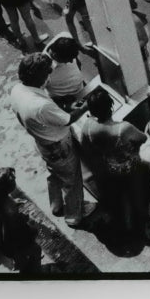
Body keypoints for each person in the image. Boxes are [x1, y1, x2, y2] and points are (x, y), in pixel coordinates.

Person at [9, 54, 94, 228]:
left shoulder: (17, 89)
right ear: (42, 77)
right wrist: (86, 105)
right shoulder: (40, 105)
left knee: (54, 174)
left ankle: (56, 205)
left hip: (43, 144)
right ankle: (74, 215)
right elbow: (67, 120)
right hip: (59, 146)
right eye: (48, 73)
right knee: (72, 181)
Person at [78, 90, 150, 234]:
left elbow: (85, 146)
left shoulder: (87, 125)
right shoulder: (123, 128)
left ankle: (127, 221)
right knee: (137, 191)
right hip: (128, 169)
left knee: (123, 195)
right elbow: (143, 139)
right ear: (110, 107)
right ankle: (142, 219)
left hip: (107, 168)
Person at [0, 167, 42, 274]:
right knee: (35, 250)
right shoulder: (9, 213)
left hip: (4, 243)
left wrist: (12, 202)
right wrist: (30, 227)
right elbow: (13, 233)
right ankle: (32, 271)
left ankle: (19, 262)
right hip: (17, 244)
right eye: (12, 179)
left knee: (19, 256)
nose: (14, 178)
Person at [44, 34, 87, 111]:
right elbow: (41, 97)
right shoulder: (43, 69)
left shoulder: (65, 36)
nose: (71, 61)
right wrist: (66, 106)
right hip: (65, 101)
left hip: (82, 89)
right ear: (55, 55)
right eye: (67, 60)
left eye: (72, 58)